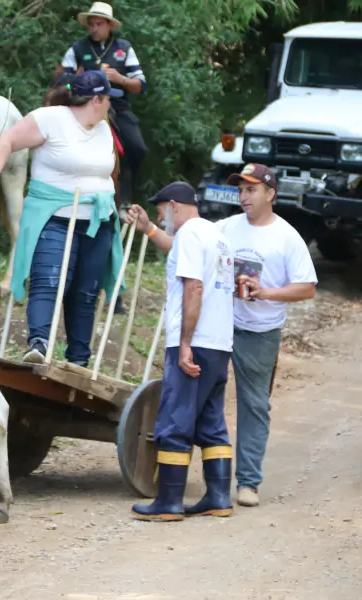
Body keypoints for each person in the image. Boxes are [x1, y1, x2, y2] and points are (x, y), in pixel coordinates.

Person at [0, 70, 125, 366]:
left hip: (97, 222)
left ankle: (78, 360)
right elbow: (7, 140)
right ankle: (39, 343)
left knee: (86, 293)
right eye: (108, 99)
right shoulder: (49, 118)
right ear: (96, 100)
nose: (110, 105)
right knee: (48, 280)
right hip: (55, 217)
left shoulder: (104, 128)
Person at [126, 181, 236, 521]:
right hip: (219, 342)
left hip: (194, 341)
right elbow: (176, 250)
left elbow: (194, 287)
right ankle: (218, 497)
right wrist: (149, 229)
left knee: (175, 417)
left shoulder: (189, 234)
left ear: (174, 205)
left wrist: (185, 342)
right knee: (211, 421)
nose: (162, 218)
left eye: (161, 211)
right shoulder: (216, 235)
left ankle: (169, 501)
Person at [218, 164, 317, 507]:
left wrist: (266, 293)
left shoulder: (286, 237)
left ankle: (248, 483)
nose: (243, 196)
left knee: (254, 405)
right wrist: (152, 229)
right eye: (240, 190)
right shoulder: (226, 227)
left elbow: (307, 287)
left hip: (260, 332)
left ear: (270, 193)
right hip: (219, 324)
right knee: (201, 395)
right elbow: (189, 243)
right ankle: (201, 475)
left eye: (251, 190)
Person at [60, 2, 148, 207]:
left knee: (138, 148)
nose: (94, 28)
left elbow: (141, 84)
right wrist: (79, 79)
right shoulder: (78, 48)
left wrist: (120, 78)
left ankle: (125, 197)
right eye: (91, 24)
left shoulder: (124, 48)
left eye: (99, 24)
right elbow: (61, 79)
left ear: (109, 25)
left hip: (117, 104)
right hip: (84, 105)